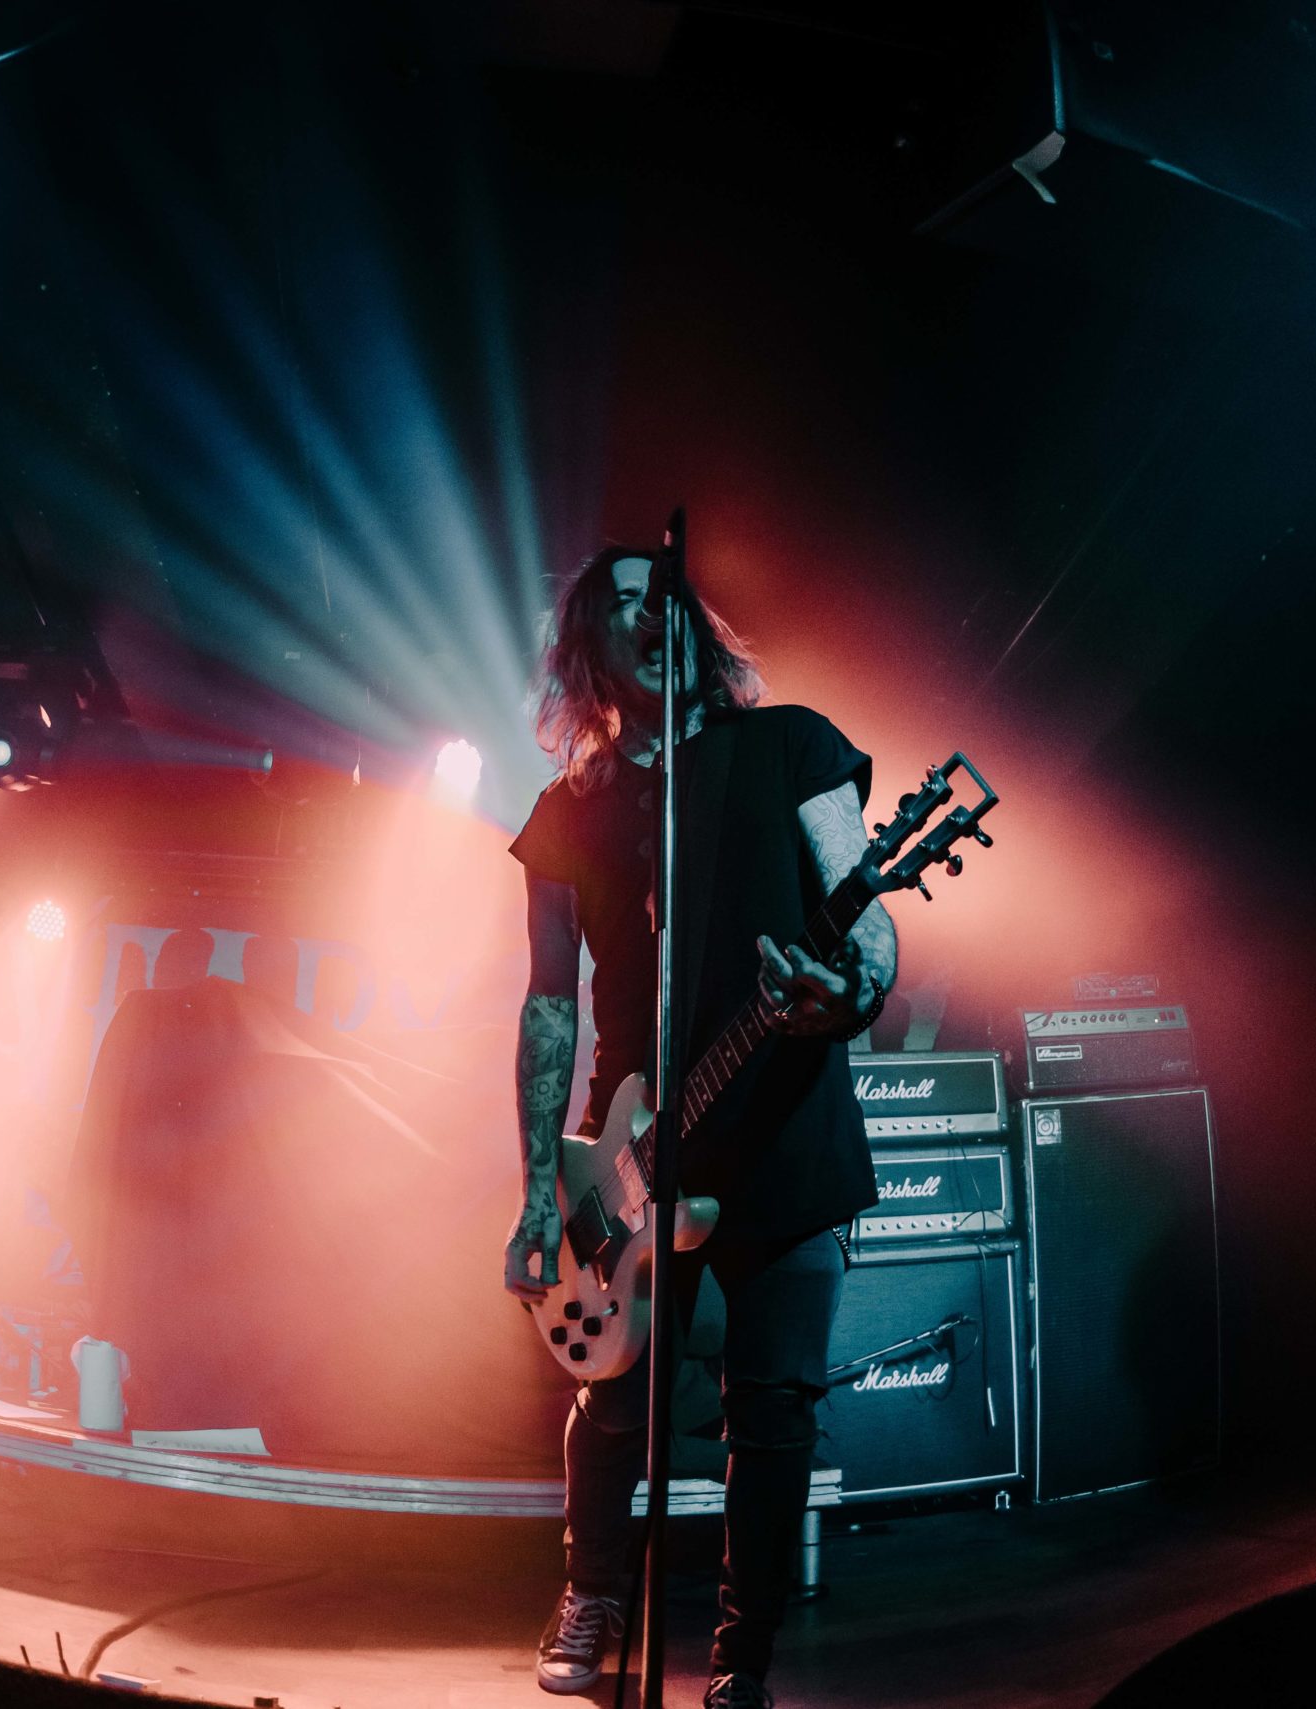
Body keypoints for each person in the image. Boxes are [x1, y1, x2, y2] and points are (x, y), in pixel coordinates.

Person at [504, 546, 895, 1708]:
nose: (650, 618)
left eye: (664, 598)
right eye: (623, 604)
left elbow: (867, 919)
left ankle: (743, 1656)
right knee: (612, 1397)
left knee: (773, 1412)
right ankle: (591, 1593)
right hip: (632, 1145)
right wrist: (537, 1188)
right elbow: (547, 1002)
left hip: (782, 1128)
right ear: (589, 645)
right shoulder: (567, 811)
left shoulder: (792, 745)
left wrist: (850, 991)